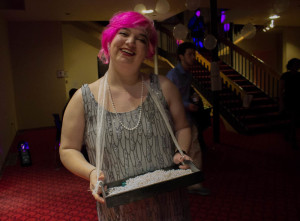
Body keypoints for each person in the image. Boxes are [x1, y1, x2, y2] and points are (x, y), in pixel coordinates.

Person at [60, 11, 194, 221]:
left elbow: (183, 127)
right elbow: (68, 149)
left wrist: (181, 151)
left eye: (141, 39)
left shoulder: (165, 88)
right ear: (109, 40)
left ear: (147, 50)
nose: (131, 42)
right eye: (124, 33)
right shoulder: (82, 99)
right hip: (118, 210)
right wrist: (91, 172)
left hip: (168, 203)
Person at [167, 42, 210, 196]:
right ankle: (179, 184)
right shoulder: (173, 75)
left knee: (196, 149)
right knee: (178, 152)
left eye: (194, 54)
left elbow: (184, 95)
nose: (193, 57)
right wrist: (186, 105)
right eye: (190, 54)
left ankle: (194, 184)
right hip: (176, 121)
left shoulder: (188, 74)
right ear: (181, 56)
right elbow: (169, 99)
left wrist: (193, 99)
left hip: (188, 118)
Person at [279, 58, 300, 149]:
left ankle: (289, 135)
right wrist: (281, 102)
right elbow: (281, 90)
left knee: (293, 119)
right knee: (292, 118)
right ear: (290, 66)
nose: (296, 67)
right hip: (289, 98)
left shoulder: (299, 75)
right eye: (294, 65)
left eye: (297, 65)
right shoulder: (285, 76)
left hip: (298, 99)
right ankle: (293, 139)